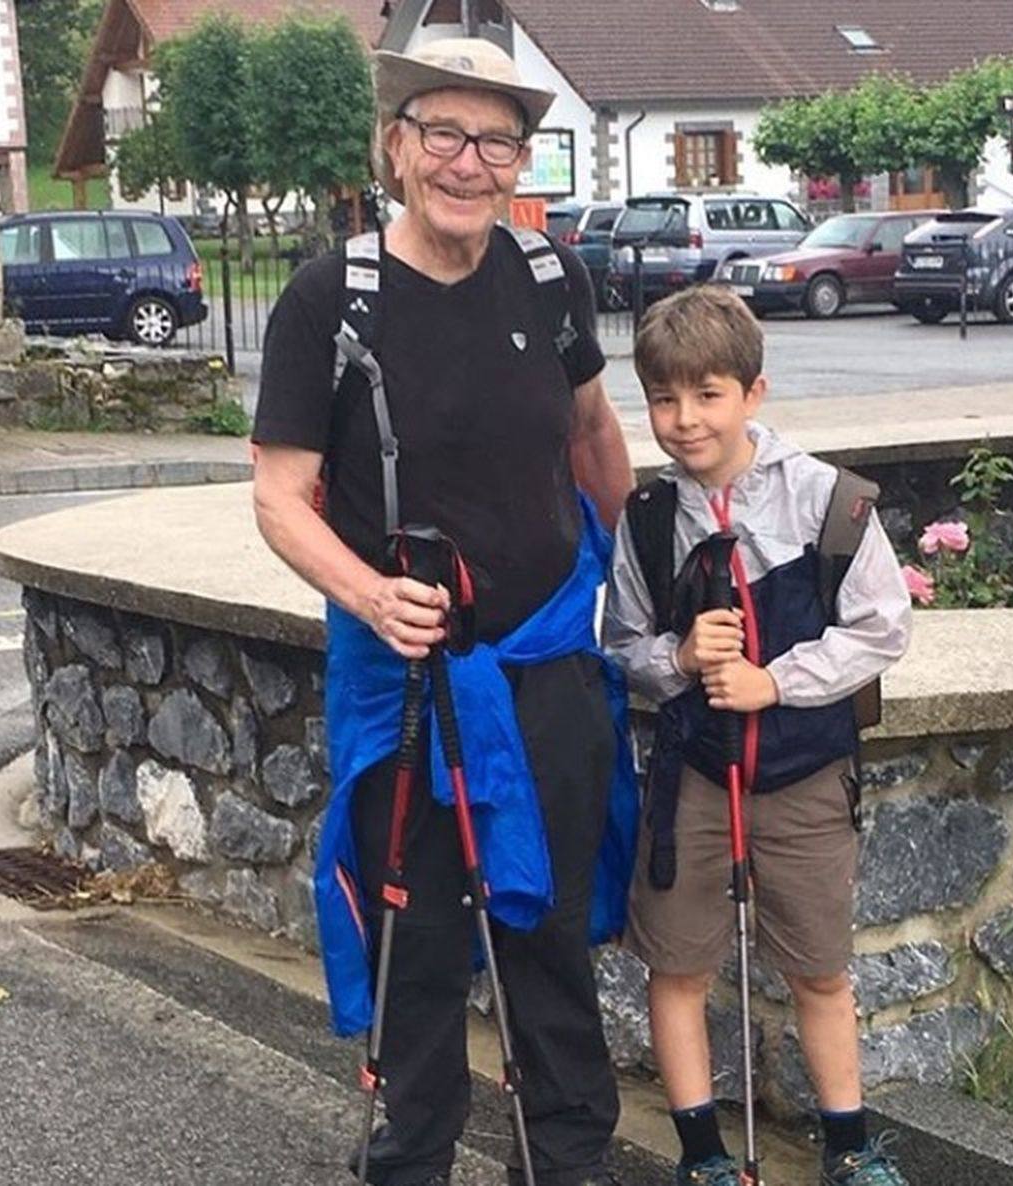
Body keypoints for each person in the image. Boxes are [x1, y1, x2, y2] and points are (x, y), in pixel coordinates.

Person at [251, 37, 636, 1186]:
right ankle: (410, 1161)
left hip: (547, 664)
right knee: (417, 946)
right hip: (412, 680)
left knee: (552, 936)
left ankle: (566, 1163)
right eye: (446, 136)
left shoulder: (549, 273)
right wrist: (371, 594)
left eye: (497, 141)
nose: (470, 163)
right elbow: (278, 496)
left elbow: (593, 436)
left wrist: (629, 577)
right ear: (397, 148)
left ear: (521, 157)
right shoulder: (335, 295)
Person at [602, 285, 913, 1186]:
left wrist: (777, 680)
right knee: (678, 963)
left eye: (708, 395)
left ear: (753, 394)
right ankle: (701, 1153)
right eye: (664, 398)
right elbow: (621, 648)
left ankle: (849, 1145)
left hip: (804, 772)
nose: (685, 419)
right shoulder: (651, 522)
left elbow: (882, 627)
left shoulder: (830, 503)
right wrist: (680, 656)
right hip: (694, 776)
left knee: (819, 968)